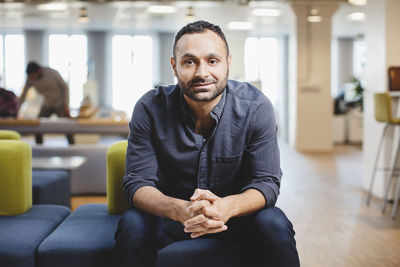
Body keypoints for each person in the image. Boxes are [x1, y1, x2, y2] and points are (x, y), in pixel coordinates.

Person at [114, 20, 300, 267]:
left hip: (236, 216)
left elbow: (266, 182)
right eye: (189, 61)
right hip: (172, 215)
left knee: (274, 224)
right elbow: (137, 183)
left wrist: (227, 207)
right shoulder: (149, 108)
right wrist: (181, 210)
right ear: (174, 65)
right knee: (132, 225)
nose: (202, 73)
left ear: (228, 63)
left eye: (212, 61)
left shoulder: (256, 108)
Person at [19, 61, 74, 144]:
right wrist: (17, 108)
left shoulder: (52, 73)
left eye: (32, 75)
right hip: (47, 104)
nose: (31, 78)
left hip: (60, 103)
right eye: (30, 76)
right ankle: (39, 145)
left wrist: (66, 105)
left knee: (66, 126)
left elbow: (65, 87)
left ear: (38, 71)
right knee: (37, 125)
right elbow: (24, 94)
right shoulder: (30, 78)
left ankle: (72, 145)